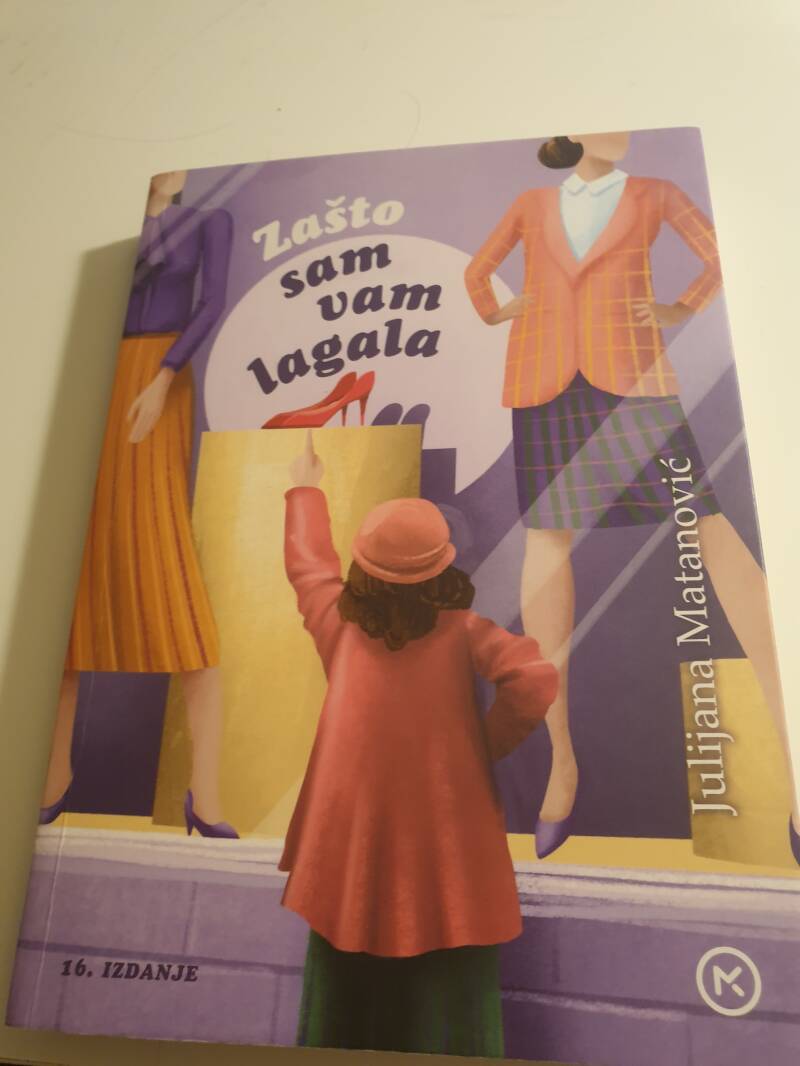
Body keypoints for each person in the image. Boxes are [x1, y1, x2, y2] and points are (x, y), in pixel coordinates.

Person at [465, 131, 797, 862]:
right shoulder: (530, 203)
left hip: (635, 380)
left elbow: (720, 255)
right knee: (547, 544)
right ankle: (561, 765)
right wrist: (497, 312)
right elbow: (477, 272)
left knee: (710, 527)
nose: (618, 130)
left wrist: (682, 307)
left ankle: (795, 759)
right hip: (546, 384)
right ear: (569, 135)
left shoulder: (656, 194)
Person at [279, 432, 558, 1056]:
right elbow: (535, 677)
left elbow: (308, 566)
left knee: (346, 970)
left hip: (350, 839)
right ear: (443, 570)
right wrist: (485, 745)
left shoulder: (337, 623)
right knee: (449, 965)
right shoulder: (466, 631)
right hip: (448, 838)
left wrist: (304, 490)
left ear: (362, 569)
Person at [40, 171, 237, 837]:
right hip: (93, 384)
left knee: (162, 552)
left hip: (160, 381)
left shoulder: (208, 220)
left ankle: (206, 795)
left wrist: (164, 378)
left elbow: (211, 302)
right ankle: (53, 777)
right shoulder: (102, 226)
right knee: (77, 580)